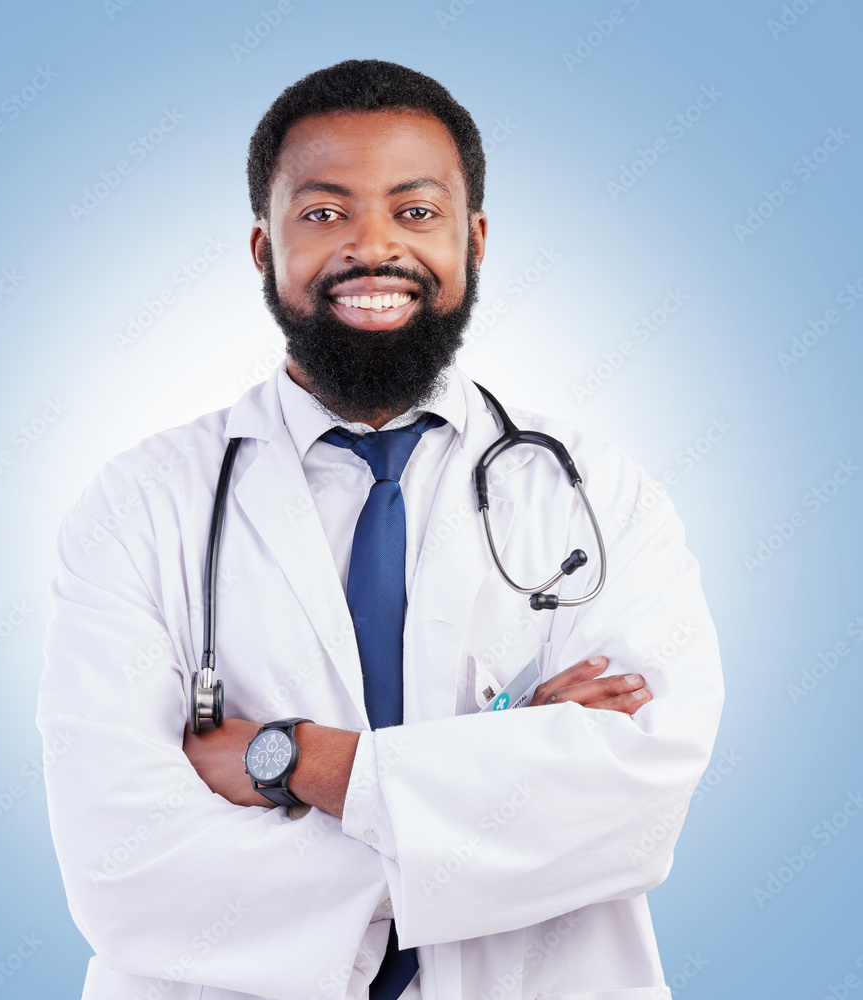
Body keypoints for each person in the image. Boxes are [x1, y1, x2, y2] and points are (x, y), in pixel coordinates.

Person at [37, 60, 724, 1000]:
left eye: (415, 211)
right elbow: (122, 867)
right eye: (323, 213)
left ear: (473, 238)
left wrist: (294, 761)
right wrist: (493, 809)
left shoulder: (600, 496)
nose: (372, 248)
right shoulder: (139, 504)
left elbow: (636, 801)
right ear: (260, 247)